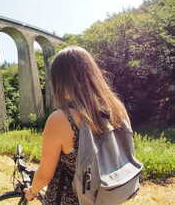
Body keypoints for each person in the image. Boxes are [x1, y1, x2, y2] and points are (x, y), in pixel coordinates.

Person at [24, 46, 131, 204]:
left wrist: (32, 192)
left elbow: (45, 174)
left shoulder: (61, 119)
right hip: (107, 196)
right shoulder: (116, 107)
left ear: (59, 80)